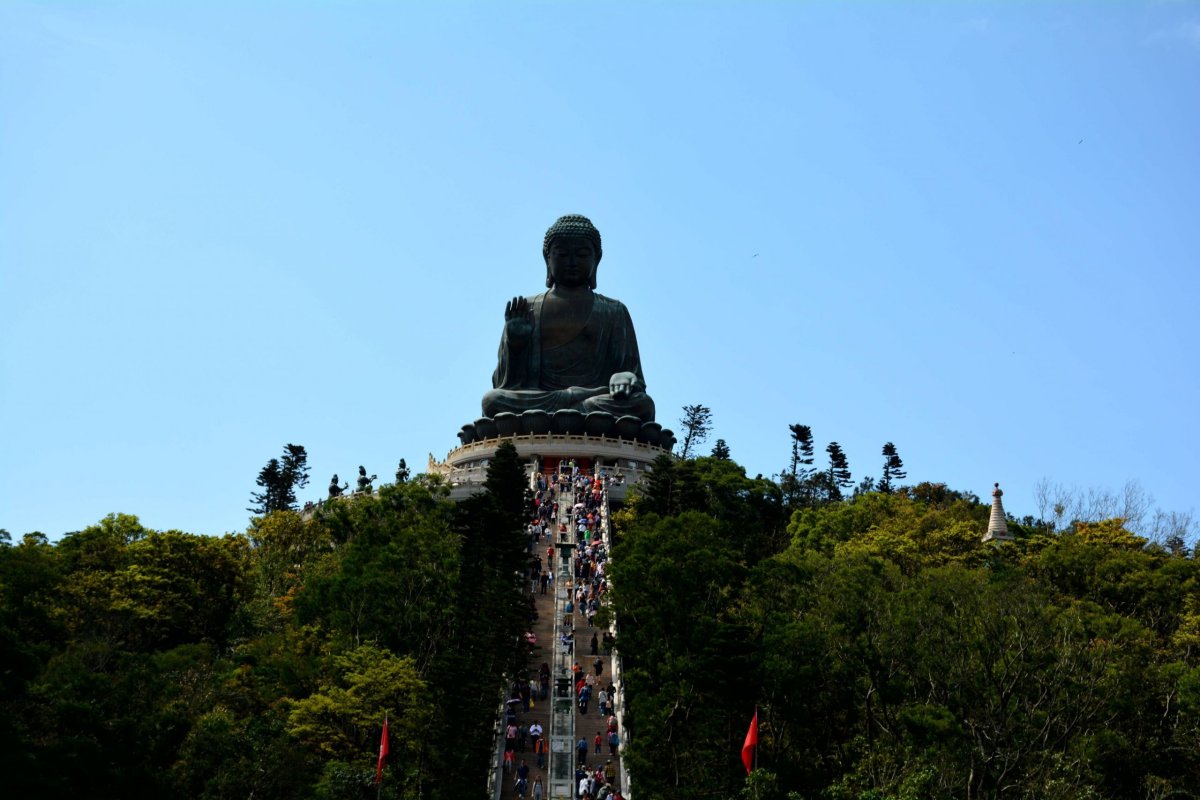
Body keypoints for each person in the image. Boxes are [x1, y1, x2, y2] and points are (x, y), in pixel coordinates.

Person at [481, 215, 656, 422]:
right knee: (492, 401)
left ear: (596, 259)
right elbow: (505, 385)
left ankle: (570, 412)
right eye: (562, 255)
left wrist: (625, 377)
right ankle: (574, 411)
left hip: (595, 400)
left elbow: (631, 376)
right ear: (547, 258)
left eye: (582, 255)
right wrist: (515, 345)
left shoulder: (613, 311)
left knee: (643, 404)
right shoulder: (527, 309)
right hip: (545, 400)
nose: (572, 263)